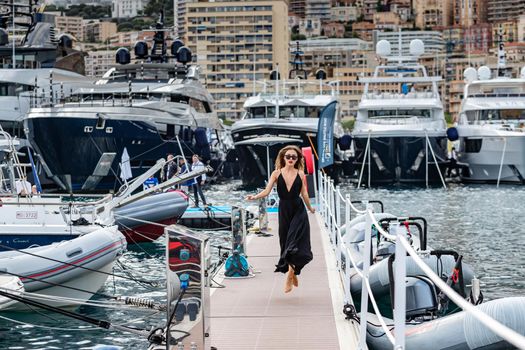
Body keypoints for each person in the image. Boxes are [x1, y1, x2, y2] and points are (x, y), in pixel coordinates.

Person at [246, 145, 314, 293]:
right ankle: (291, 271)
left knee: (295, 243)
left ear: (297, 159)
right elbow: (267, 191)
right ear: (283, 158)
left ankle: (290, 275)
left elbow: (305, 194)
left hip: (298, 210)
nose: (290, 159)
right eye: (288, 156)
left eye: (294, 157)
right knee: (285, 243)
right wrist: (255, 197)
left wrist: (310, 208)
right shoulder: (276, 174)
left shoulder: (301, 174)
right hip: (284, 211)